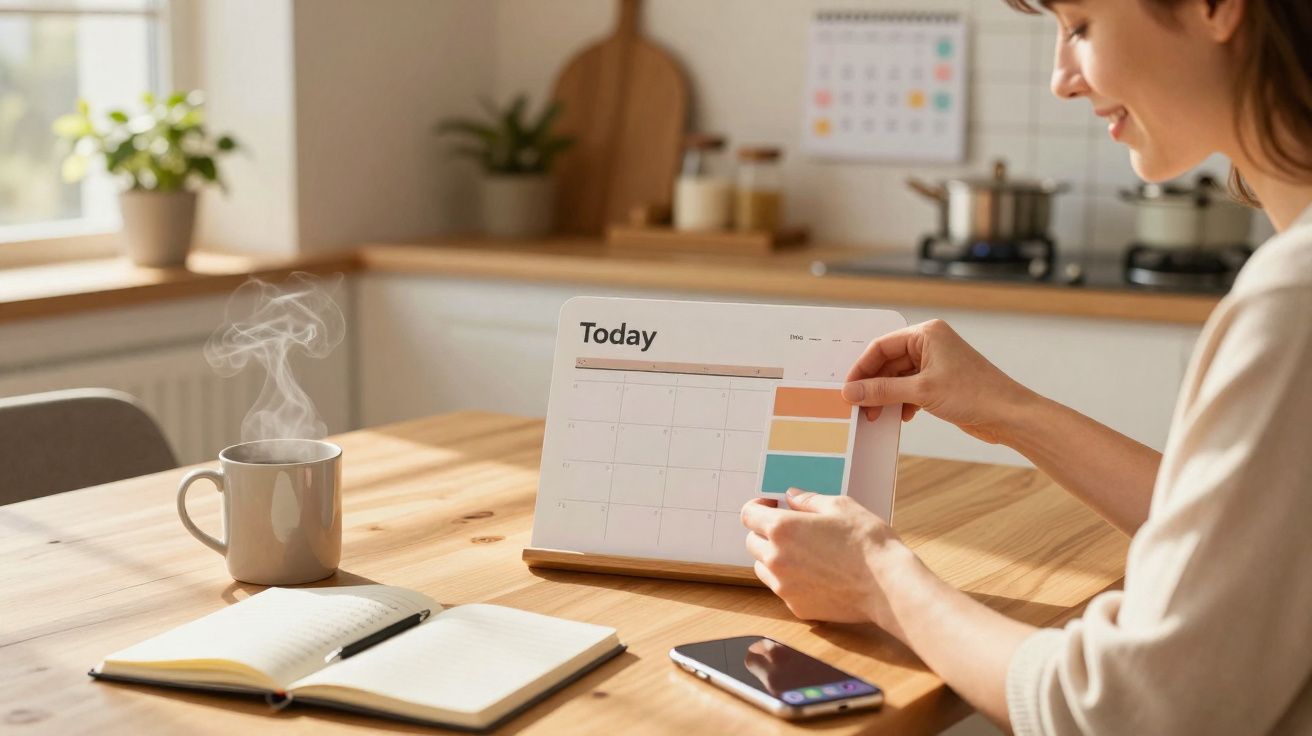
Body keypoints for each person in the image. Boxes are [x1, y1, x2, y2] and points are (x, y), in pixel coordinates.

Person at [740, 0, 1312, 733]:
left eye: (1080, 25)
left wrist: (878, 578)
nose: (1061, 79)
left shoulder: (1293, 301)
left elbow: (1128, 710)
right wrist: (1009, 410)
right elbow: (1247, 538)